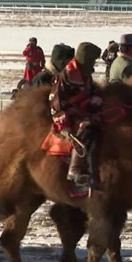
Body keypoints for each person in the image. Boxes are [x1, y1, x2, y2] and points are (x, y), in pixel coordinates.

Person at [50, 42, 103, 187]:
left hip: (84, 111)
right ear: (85, 59)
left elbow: (91, 91)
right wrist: (64, 125)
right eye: (92, 60)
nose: (93, 64)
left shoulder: (85, 74)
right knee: (87, 130)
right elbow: (57, 103)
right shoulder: (66, 76)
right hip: (67, 116)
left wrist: (95, 100)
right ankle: (74, 169)